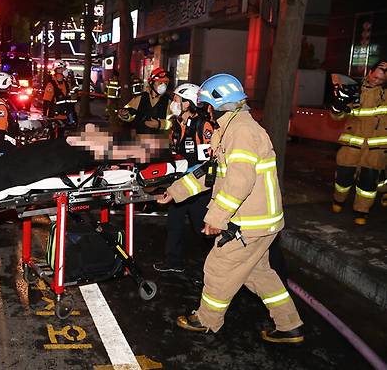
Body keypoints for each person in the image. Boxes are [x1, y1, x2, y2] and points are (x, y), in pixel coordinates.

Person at [159, 73, 304, 344]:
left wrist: (216, 218)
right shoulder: (232, 129)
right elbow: (212, 172)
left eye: (207, 106)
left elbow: (240, 181)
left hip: (250, 222)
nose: (206, 111)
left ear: (217, 105)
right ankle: (290, 325)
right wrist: (176, 192)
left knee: (218, 267)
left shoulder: (242, 132)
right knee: (259, 274)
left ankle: (207, 320)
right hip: (261, 222)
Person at [153, 83, 215, 274]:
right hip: (179, 183)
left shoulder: (203, 126)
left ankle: (213, 269)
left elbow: (209, 162)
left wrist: (189, 176)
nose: (173, 103)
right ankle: (173, 261)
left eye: (177, 100)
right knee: (174, 224)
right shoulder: (177, 124)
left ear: (188, 103)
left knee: (202, 228)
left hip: (198, 187)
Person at [330, 60, 387, 225]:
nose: (376, 81)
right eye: (375, 77)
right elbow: (337, 116)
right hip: (351, 144)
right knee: (343, 177)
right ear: (370, 72)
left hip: (376, 148)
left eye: (381, 80)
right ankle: (338, 200)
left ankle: (362, 211)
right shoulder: (353, 89)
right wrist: (338, 106)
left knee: (368, 182)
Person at [118, 67, 171, 134]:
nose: (163, 86)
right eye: (160, 82)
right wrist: (124, 114)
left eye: (165, 83)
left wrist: (159, 124)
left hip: (158, 140)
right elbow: (130, 115)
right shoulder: (141, 98)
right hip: (140, 138)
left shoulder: (168, 101)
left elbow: (172, 122)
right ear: (152, 82)